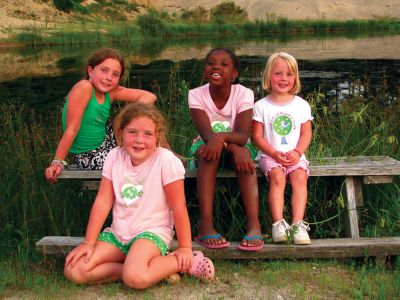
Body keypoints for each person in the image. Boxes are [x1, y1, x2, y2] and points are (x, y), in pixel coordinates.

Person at [64, 103, 215, 288]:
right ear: (121, 133)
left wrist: (184, 247)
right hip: (118, 234)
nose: (139, 140)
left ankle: (186, 261)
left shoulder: (165, 161)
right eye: (132, 132)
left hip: (150, 233)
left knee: (136, 278)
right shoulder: (114, 157)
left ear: (158, 136)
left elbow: (178, 207)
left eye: (147, 134)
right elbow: (103, 202)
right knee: (75, 270)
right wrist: (88, 243)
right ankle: (143, 269)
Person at [189, 48, 263, 251]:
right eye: (211, 63)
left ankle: (254, 224)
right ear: (205, 70)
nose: (216, 67)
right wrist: (232, 146)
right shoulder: (195, 95)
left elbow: (242, 134)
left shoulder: (244, 93)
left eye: (224, 64)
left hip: (236, 144)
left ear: (234, 74)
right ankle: (205, 225)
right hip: (205, 146)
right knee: (208, 154)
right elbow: (206, 136)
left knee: (244, 155)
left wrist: (232, 145)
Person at [45, 48, 156, 183]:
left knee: (149, 119)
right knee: (138, 163)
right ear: (90, 71)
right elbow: (71, 128)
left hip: (106, 141)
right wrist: (57, 162)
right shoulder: (84, 87)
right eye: (104, 70)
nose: (109, 78)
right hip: (89, 155)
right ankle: (133, 199)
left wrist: (122, 118)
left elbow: (149, 96)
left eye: (115, 74)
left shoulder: (110, 92)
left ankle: (173, 158)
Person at [252, 52, 313, 245]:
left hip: (295, 155)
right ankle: (278, 224)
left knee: (300, 177)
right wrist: (273, 153)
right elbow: (257, 136)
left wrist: (297, 153)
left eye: (289, 74)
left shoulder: (301, 105)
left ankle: (297, 224)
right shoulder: (261, 106)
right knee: (278, 177)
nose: (283, 79)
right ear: (268, 76)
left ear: (295, 78)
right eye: (278, 73)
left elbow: (306, 134)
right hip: (269, 156)